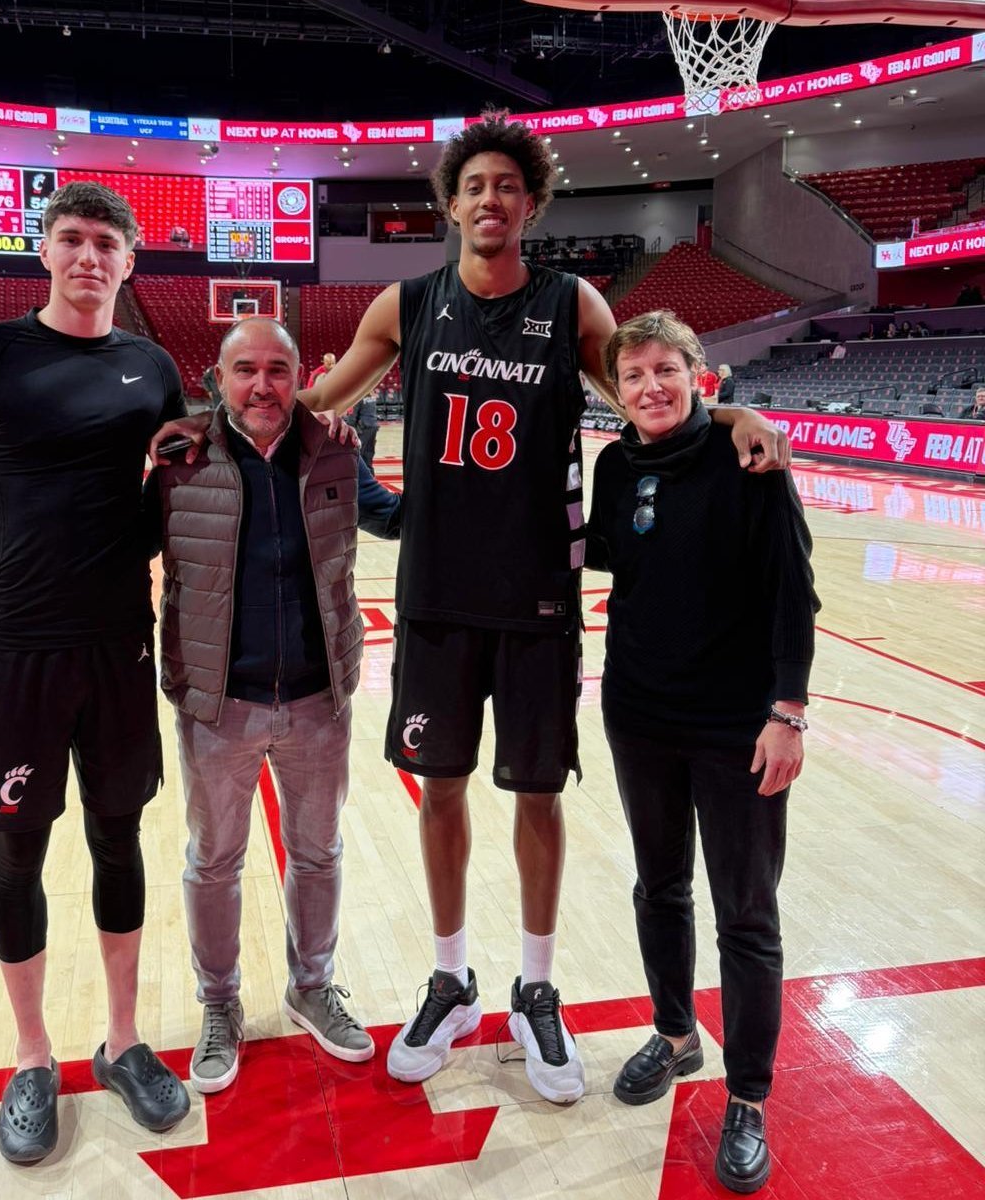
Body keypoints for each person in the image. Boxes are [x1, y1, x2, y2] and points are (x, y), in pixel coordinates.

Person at [150, 110, 789, 1107]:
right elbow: (312, 399)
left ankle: (536, 987)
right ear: (451, 204)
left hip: (537, 600)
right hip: (437, 602)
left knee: (538, 799)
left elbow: (643, 390)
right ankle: (450, 980)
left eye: (508, 185)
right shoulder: (408, 305)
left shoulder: (571, 302)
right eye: (474, 185)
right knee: (440, 792)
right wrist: (209, 422)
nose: (491, 199)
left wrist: (733, 409)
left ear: (531, 203)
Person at [0, 181, 189, 1165]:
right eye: (72, 238)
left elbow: (175, 498)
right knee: (18, 849)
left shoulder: (154, 368)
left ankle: (123, 1041)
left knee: (120, 838)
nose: (88, 257)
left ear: (129, 262)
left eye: (107, 243)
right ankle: (32, 1057)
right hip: (21, 646)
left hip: (120, 644)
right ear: (45, 251)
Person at [586, 310, 818, 1194]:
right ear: (617, 390)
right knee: (659, 887)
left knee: (746, 915)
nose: (651, 386)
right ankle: (676, 1033)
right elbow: (609, 559)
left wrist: (788, 712)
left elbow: (793, 593)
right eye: (633, 374)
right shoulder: (615, 467)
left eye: (665, 369)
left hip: (737, 725)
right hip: (639, 713)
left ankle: (748, 1096)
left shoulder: (751, 460)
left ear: (698, 375)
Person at [155, 317, 400, 1094]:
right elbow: (110, 543)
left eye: (278, 370)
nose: (262, 386)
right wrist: (1, 553)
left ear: (301, 379)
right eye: (246, 370)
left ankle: (312, 987)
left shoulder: (334, 450)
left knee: (318, 852)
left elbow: (396, 517)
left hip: (317, 700)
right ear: (218, 378)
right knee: (214, 862)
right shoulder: (180, 462)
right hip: (217, 703)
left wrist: (487, 491)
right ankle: (219, 1003)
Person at [346, 390, 380, 474]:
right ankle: (371, 477)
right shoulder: (371, 396)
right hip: (373, 426)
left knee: (359, 456)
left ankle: (360, 477)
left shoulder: (358, 397)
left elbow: (352, 418)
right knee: (369, 455)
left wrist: (349, 430)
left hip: (363, 428)